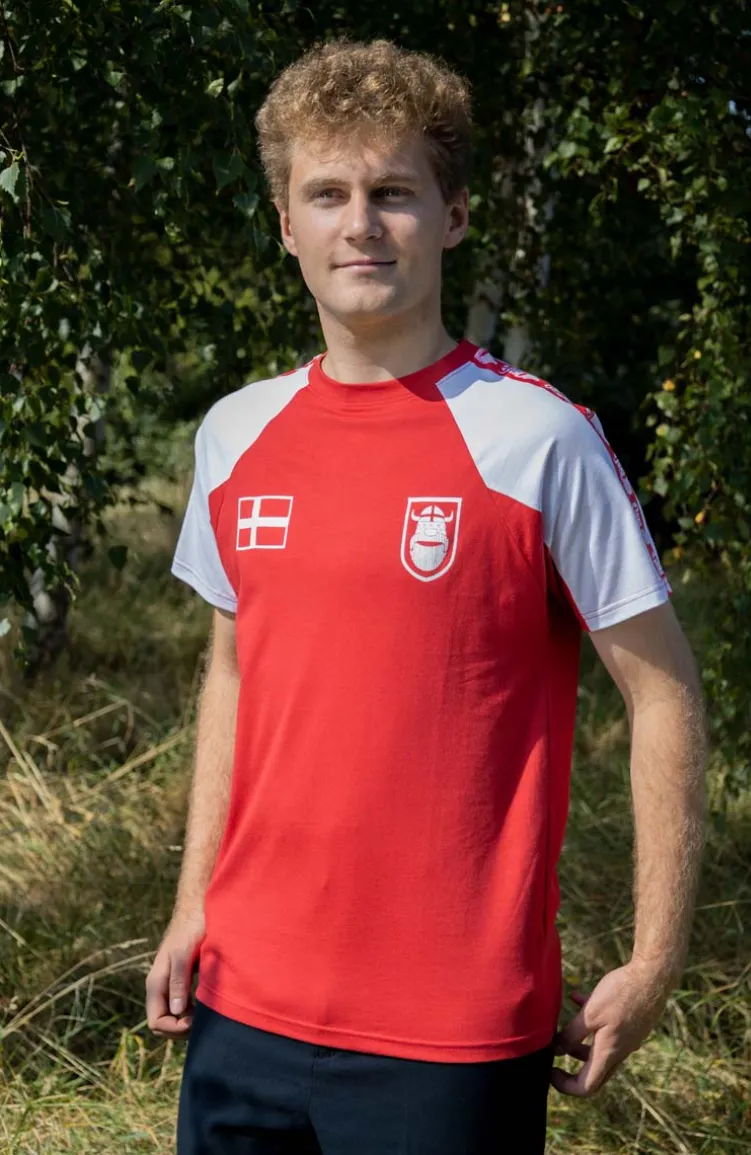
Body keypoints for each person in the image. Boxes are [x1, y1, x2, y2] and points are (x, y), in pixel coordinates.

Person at [146, 38, 707, 1155]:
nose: (360, 223)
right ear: (285, 224)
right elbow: (236, 671)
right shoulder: (233, 434)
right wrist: (193, 902)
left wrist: (654, 961)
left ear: (452, 217)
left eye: (393, 193)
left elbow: (664, 696)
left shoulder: (540, 439)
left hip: (451, 1034)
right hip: (242, 1004)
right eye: (328, 194)